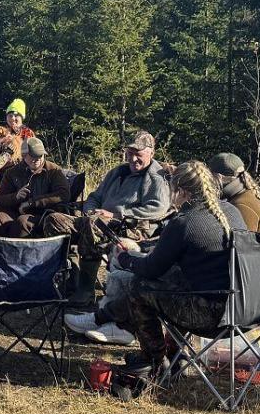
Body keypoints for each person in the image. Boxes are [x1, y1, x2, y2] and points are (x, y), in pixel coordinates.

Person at [113, 161, 247, 379]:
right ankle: (175, 352)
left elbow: (151, 269)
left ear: (181, 191)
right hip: (244, 309)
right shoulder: (232, 211)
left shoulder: (184, 222)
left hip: (211, 316)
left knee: (138, 287)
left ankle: (154, 360)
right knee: (178, 280)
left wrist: (125, 258)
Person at [43, 130, 171, 307]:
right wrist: (90, 210)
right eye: (130, 153)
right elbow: (95, 196)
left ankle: (86, 290)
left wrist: (117, 214)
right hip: (97, 220)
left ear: (151, 152)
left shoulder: (157, 176)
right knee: (54, 220)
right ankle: (72, 277)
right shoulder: (117, 172)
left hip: (130, 228)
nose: (133, 158)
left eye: (138, 154)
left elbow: (158, 208)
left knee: (93, 224)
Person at [0, 138, 69, 238]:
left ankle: (21, 248)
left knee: (23, 222)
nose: (37, 159)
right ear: (24, 155)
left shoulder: (53, 171)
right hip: (16, 213)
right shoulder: (12, 172)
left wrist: (32, 202)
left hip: (43, 215)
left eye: (40, 155)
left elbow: (63, 195)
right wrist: (16, 197)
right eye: (33, 156)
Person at [208, 152, 260, 234]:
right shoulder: (246, 196)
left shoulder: (241, 205)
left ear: (219, 177)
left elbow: (244, 240)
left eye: (210, 176)